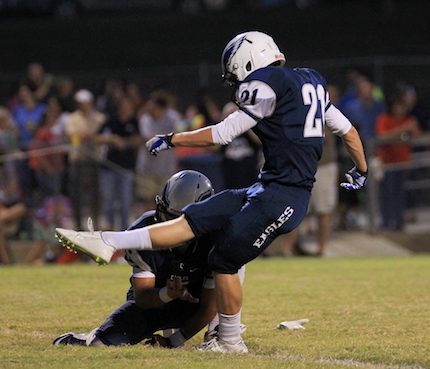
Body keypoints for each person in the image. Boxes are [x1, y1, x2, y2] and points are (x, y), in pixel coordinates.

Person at [55, 31, 368, 354]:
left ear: (249, 61)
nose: (236, 85)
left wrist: (173, 139)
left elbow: (221, 134)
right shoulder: (310, 81)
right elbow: (348, 131)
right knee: (196, 217)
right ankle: (108, 241)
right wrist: (361, 169)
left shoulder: (264, 84)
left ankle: (230, 340)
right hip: (267, 186)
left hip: (284, 195)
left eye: (235, 76)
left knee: (224, 257)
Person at [54, 170, 244, 347]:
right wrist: (168, 294)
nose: (174, 227)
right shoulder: (142, 230)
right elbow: (143, 297)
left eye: (184, 221)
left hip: (198, 300)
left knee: (233, 261)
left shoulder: (218, 235)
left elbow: (209, 306)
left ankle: (221, 331)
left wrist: (174, 341)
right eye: (170, 218)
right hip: (158, 300)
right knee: (103, 341)